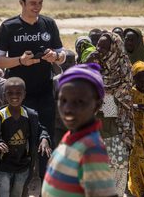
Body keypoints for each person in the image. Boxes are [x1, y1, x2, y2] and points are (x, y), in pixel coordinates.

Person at [0, 0, 65, 177]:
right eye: (32, 3)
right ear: (21, 2)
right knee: (17, 142)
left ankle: (45, 183)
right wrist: (20, 61)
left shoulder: (49, 24)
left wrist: (55, 57)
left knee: (46, 139)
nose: (37, 7)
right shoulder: (9, 27)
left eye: (40, 2)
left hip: (44, 93)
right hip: (17, 97)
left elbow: (62, 53)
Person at [42, 63, 117, 197]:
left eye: (79, 102)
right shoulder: (71, 136)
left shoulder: (91, 149)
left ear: (97, 105)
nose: (68, 109)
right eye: (63, 100)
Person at [0, 77, 51, 197]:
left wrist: (44, 139)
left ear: (24, 94)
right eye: (10, 93)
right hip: (2, 166)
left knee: (18, 193)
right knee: (3, 193)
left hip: (22, 165)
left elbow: (41, 130)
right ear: (4, 95)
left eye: (18, 93)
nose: (14, 96)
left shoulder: (30, 115)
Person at [95, 32, 133, 197]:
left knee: (117, 164)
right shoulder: (95, 63)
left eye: (104, 46)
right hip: (99, 128)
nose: (100, 49)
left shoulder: (122, 64)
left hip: (118, 123)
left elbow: (120, 91)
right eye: (98, 45)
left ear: (113, 47)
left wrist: (103, 95)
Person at [128, 61, 144, 197]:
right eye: (140, 79)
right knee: (137, 161)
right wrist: (134, 107)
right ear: (134, 78)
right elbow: (112, 111)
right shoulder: (129, 93)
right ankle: (140, 191)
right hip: (135, 134)